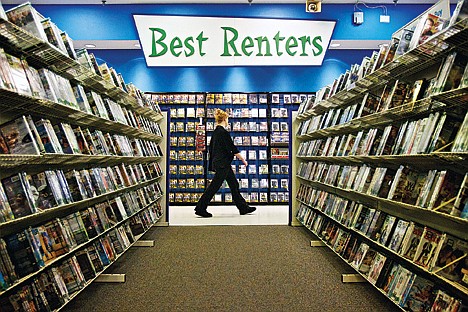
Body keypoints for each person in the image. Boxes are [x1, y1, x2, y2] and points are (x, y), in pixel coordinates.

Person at [194, 108, 256, 218]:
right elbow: (232, 148)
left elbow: (212, 150)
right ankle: (200, 208)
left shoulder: (216, 132)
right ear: (224, 119)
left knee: (233, 184)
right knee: (214, 186)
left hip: (221, 164)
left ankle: (243, 207)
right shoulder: (223, 132)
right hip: (223, 164)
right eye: (227, 119)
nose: (228, 121)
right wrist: (243, 159)